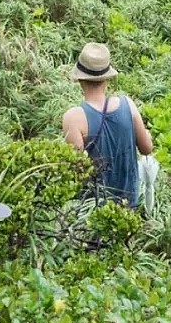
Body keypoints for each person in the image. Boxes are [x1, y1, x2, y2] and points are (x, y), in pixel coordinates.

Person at [62, 42, 153, 208]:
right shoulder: (128, 105)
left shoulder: (74, 118)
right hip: (128, 206)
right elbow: (147, 148)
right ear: (106, 78)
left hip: (93, 209)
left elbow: (74, 171)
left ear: (80, 80)